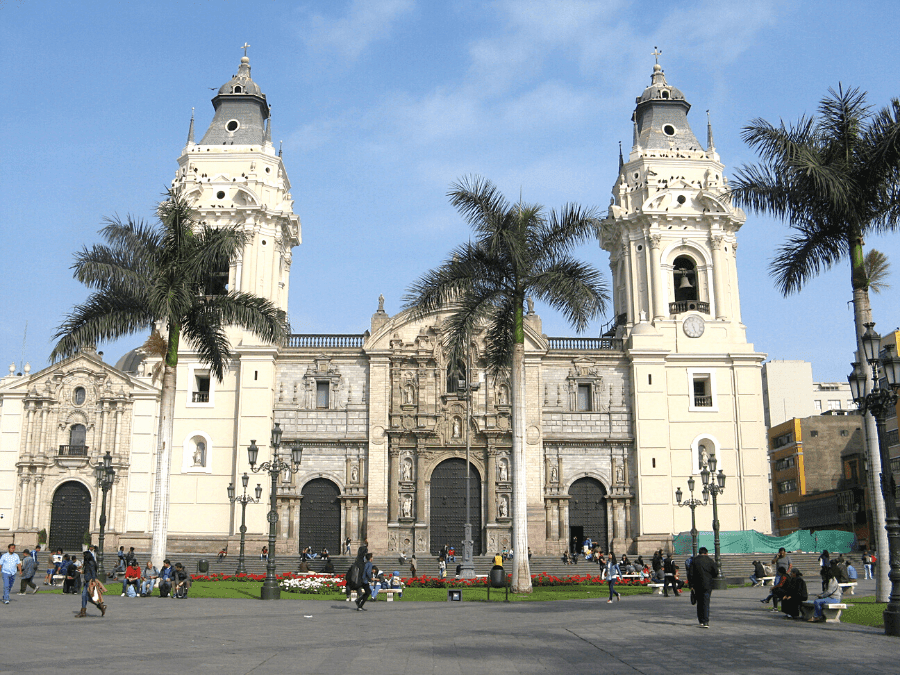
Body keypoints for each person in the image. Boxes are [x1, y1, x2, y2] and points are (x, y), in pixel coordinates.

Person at [689, 547, 718, 628]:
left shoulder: (694, 560)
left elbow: (690, 574)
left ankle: (701, 620)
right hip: (708, 584)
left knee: (699, 602)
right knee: (706, 602)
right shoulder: (710, 560)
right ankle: (706, 621)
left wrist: (691, 585)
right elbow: (716, 572)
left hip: (697, 584)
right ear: (706, 553)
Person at [79, 550, 106, 617]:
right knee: (87, 597)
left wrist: (94, 581)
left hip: (90, 582)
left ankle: (83, 612)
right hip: (87, 581)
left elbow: (93, 572)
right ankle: (101, 606)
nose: (83, 557)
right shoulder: (89, 563)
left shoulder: (90, 563)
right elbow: (88, 571)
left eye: (84, 555)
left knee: (84, 596)